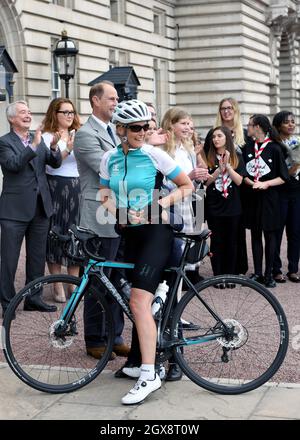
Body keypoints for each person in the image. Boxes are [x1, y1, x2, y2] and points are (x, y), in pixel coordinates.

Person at [100, 99, 194, 405]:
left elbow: (185, 186)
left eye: (146, 127)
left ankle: (150, 374)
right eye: (136, 128)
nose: (143, 132)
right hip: (129, 236)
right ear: (121, 130)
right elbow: (105, 193)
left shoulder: (154, 155)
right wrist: (118, 212)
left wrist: (158, 205)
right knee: (136, 302)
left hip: (157, 233)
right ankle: (143, 361)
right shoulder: (109, 159)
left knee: (140, 302)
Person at [73, 81, 129, 360]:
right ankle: (95, 338)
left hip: (119, 215)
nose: (116, 102)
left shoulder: (117, 132)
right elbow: (109, 167)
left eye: (117, 98)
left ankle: (115, 335)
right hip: (98, 217)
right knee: (97, 280)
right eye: (111, 98)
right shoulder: (85, 134)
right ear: (96, 100)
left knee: (117, 278)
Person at [0, 100, 62, 317]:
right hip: (14, 210)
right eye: (22, 112)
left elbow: (53, 163)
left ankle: (33, 299)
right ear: (11, 119)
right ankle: (8, 303)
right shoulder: (4, 142)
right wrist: (34, 145)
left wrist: (53, 147)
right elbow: (13, 164)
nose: (28, 115)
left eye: (28, 111)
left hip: (40, 207)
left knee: (36, 257)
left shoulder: (38, 139)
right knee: (9, 260)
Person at [42, 98, 81, 302]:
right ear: (54, 114)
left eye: (72, 112)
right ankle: (57, 284)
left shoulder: (79, 133)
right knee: (56, 234)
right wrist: (66, 149)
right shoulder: (47, 136)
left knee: (75, 236)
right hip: (56, 186)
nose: (69, 116)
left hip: (76, 187)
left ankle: (72, 284)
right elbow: (52, 165)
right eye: (65, 112)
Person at [243, 114, 289, 288]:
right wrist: (251, 183)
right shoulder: (248, 147)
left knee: (270, 236)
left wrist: (266, 184)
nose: (247, 127)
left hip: (270, 199)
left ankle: (269, 273)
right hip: (253, 197)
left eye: (250, 125)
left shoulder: (275, 148)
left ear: (258, 127)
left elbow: (284, 177)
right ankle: (257, 272)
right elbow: (243, 174)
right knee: (255, 235)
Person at [204, 97, 248, 275]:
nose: (216, 139)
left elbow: (239, 181)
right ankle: (218, 275)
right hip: (215, 205)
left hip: (232, 205)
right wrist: (216, 171)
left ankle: (230, 274)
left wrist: (228, 167)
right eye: (214, 136)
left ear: (227, 138)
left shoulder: (236, 157)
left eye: (219, 136)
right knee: (217, 241)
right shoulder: (209, 158)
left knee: (232, 241)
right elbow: (205, 183)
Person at [272, 111, 300, 283]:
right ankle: (276, 269)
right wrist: (296, 164)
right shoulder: (275, 146)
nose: (290, 124)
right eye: (286, 122)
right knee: (277, 232)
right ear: (278, 125)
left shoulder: (298, 142)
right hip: (280, 190)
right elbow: (283, 173)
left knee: (295, 231)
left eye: (292, 121)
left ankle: (293, 269)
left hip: (297, 190)